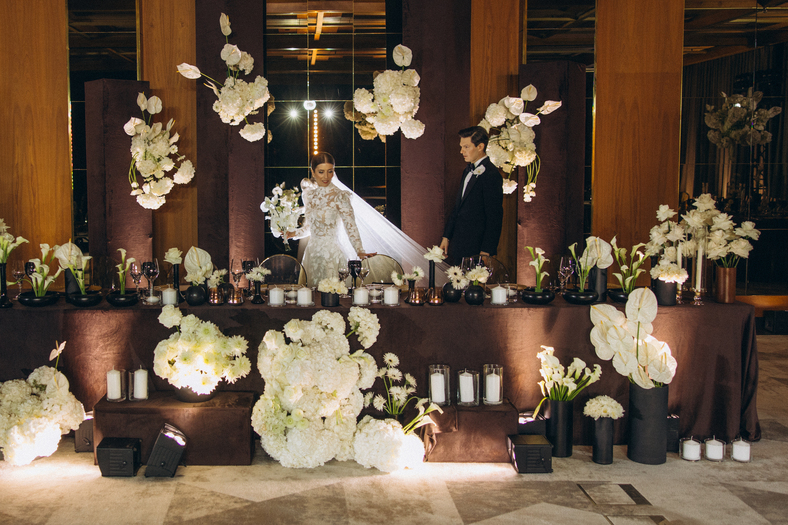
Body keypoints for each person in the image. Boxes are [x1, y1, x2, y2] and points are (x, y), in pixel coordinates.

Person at [287, 153, 375, 287]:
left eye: (330, 171)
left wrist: (359, 250)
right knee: (310, 297)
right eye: (321, 172)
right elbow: (311, 227)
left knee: (335, 296)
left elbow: (350, 225)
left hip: (332, 255)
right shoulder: (309, 196)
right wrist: (294, 233)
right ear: (313, 171)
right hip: (312, 254)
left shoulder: (341, 196)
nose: (326, 177)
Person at [440, 126, 504, 266]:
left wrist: (486, 251)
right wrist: (447, 237)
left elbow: (495, 217)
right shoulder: (467, 171)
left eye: (466, 146)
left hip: (478, 249)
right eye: (461, 146)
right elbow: (458, 208)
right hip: (459, 245)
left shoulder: (492, 175)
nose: (461, 151)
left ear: (480, 146)